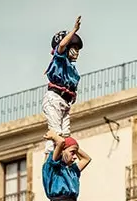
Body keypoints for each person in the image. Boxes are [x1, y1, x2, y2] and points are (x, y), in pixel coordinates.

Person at [43, 16, 83, 155]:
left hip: (65, 102)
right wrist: (74, 30)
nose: (77, 52)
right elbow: (61, 46)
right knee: (56, 132)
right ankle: (49, 159)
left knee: (65, 134)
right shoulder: (59, 60)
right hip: (54, 98)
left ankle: (61, 159)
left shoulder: (71, 69)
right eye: (74, 48)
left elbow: (71, 85)